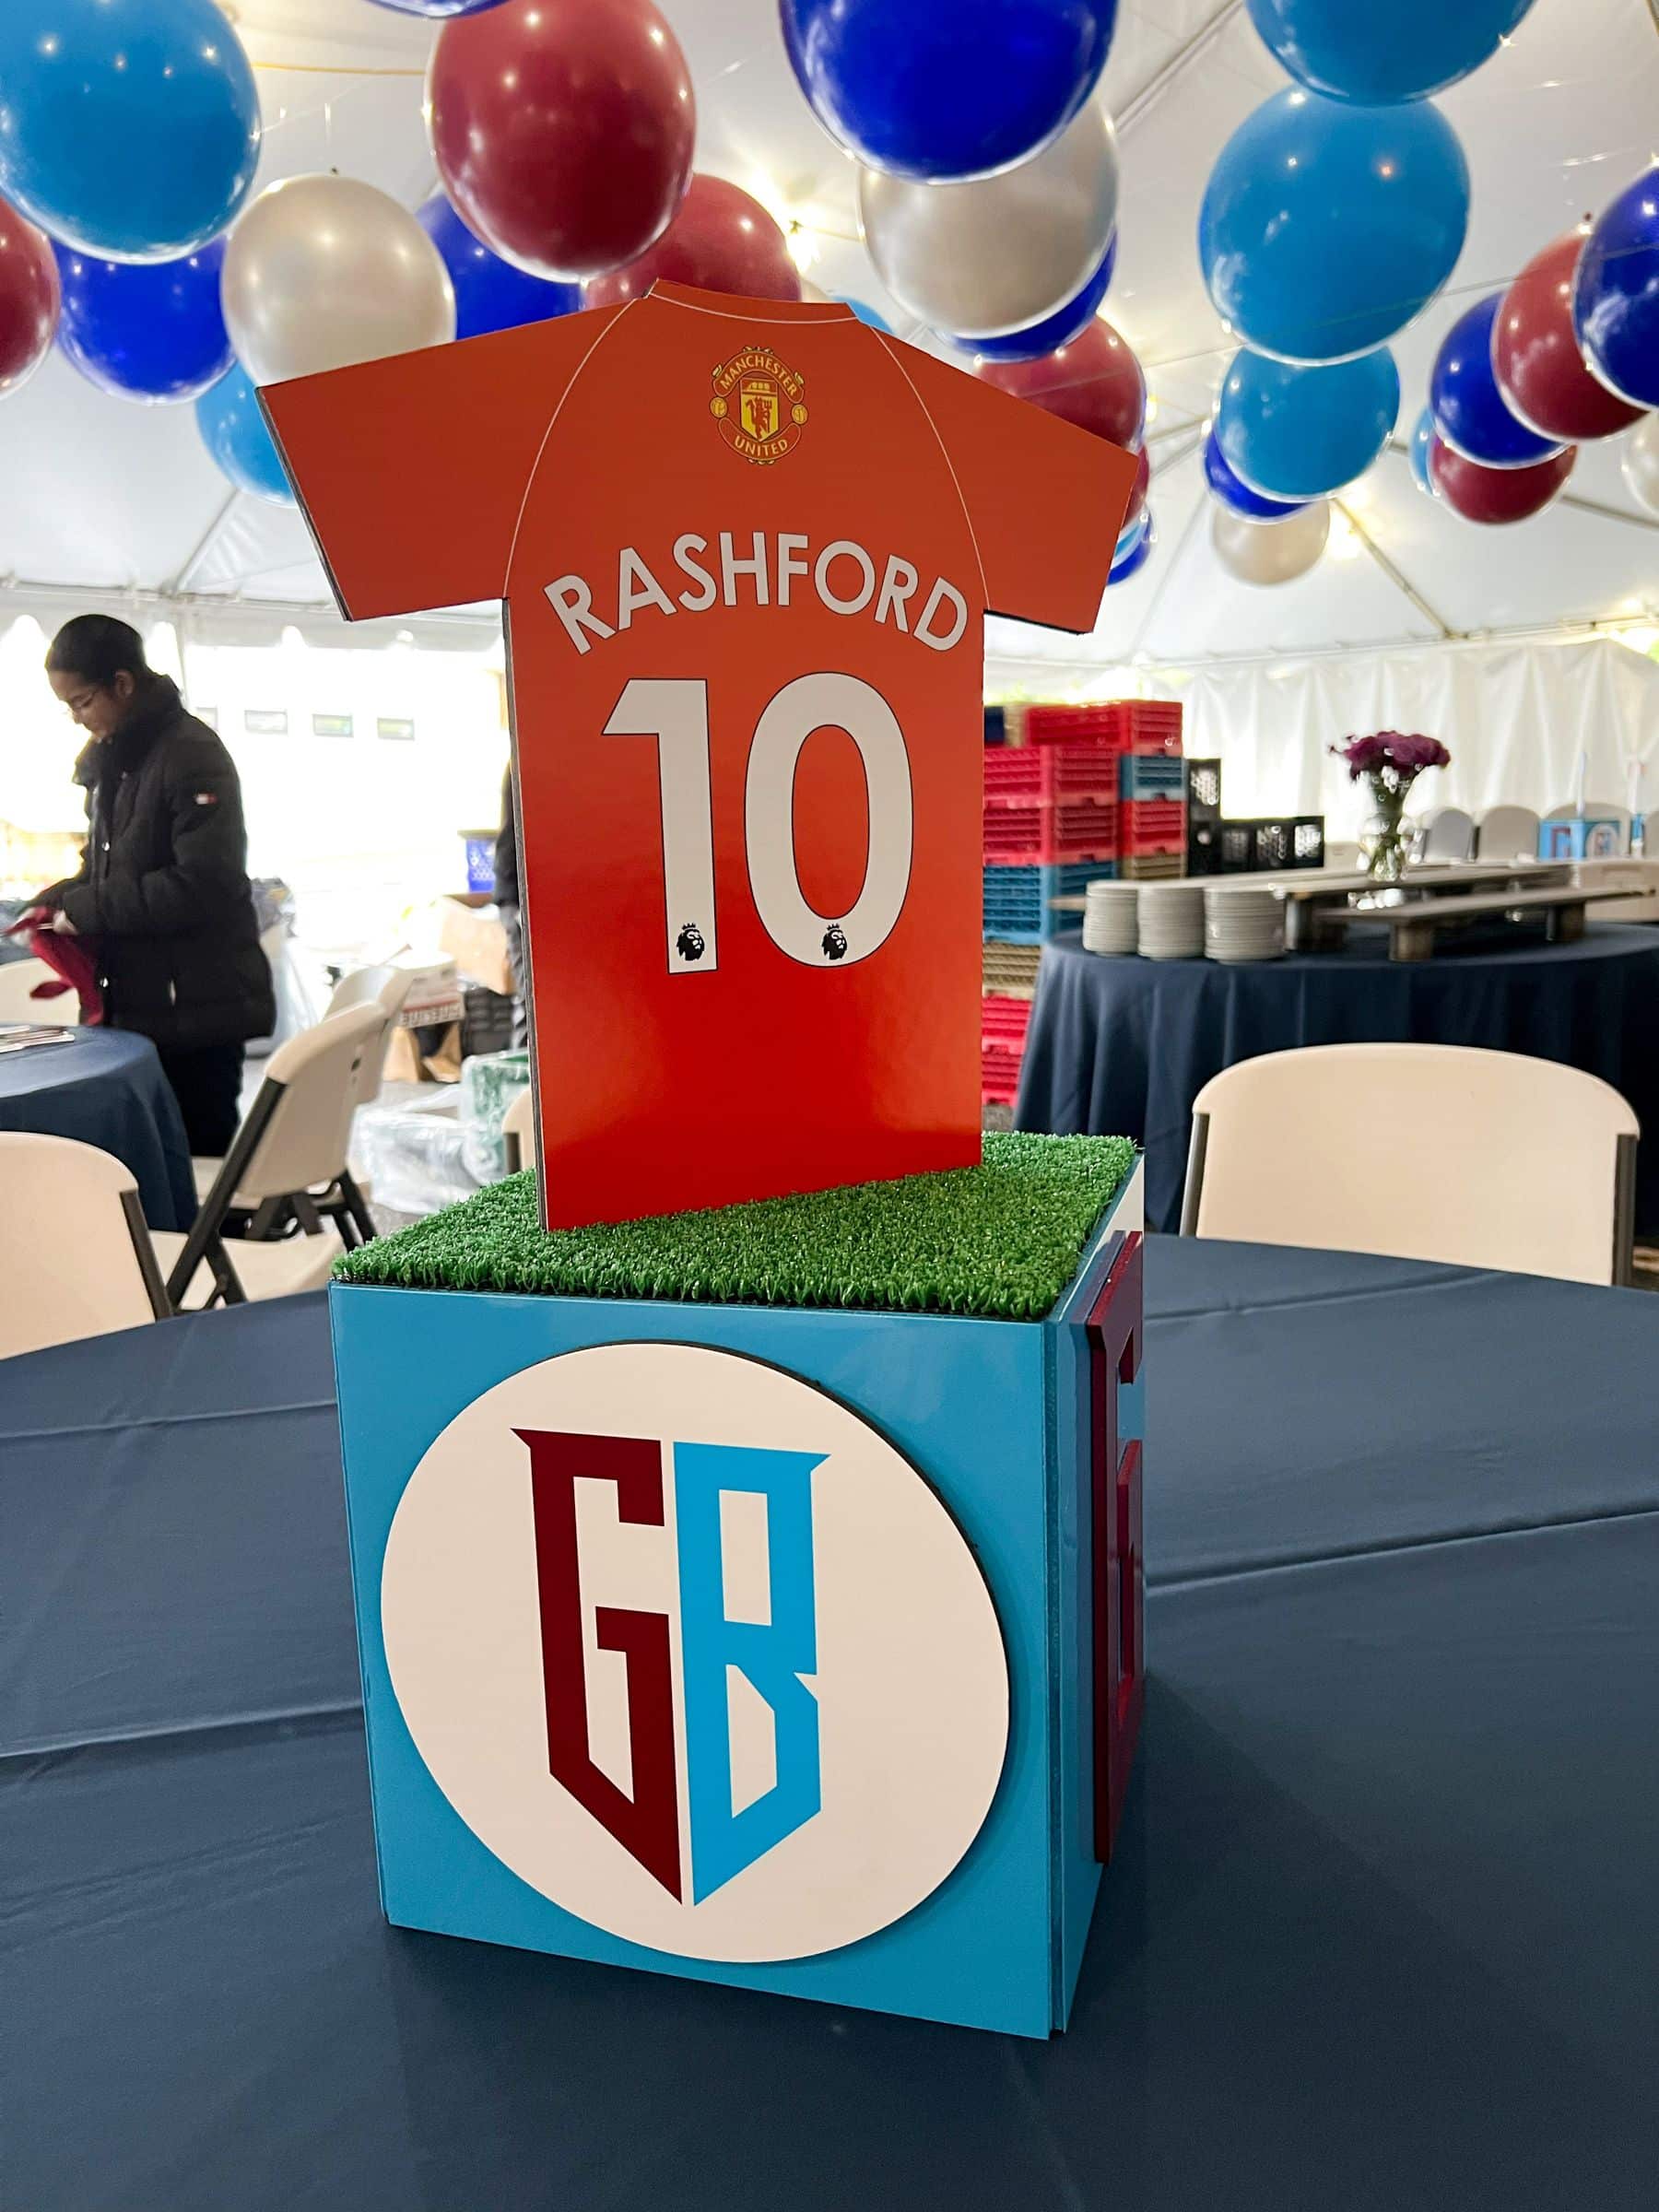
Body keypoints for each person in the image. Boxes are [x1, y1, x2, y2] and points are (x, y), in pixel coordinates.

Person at [31, 615, 275, 1157]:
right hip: (141, 1004)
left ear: (123, 684)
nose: (75, 719)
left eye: (82, 702)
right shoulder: (116, 760)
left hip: (196, 1010)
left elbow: (203, 886)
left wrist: (88, 908)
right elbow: (111, 871)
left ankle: (213, 1243)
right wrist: (53, 902)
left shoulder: (191, 754)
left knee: (195, 1167)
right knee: (144, 1168)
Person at [495, 761, 528, 1048]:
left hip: (521, 890)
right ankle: (526, 1085)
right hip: (519, 893)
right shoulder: (527, 752)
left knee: (534, 1000)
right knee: (531, 999)